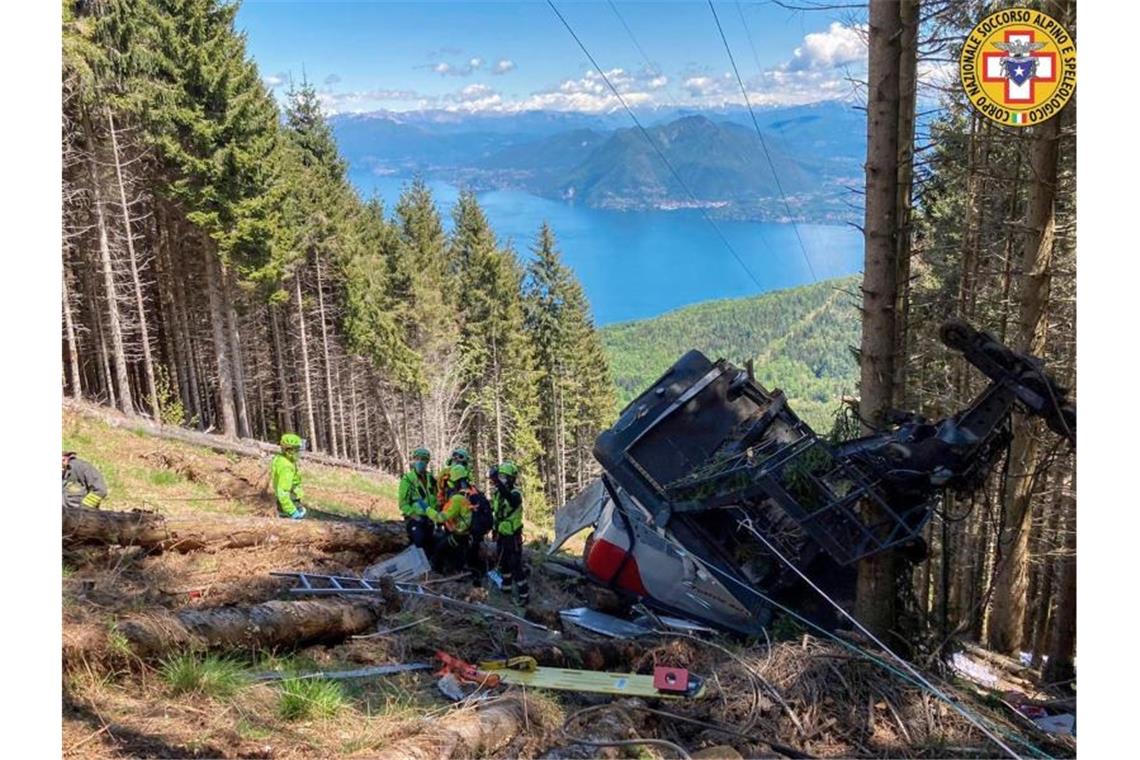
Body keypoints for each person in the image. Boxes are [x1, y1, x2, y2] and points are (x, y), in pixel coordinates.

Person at [428, 463, 489, 582]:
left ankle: (441, 575)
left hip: (461, 535)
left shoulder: (457, 498)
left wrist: (427, 509)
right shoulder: (472, 492)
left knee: (440, 549)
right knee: (464, 556)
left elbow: (441, 517)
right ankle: (467, 574)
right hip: (471, 534)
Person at [490, 460, 529, 605]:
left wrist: (497, 483)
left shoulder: (515, 494)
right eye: (500, 476)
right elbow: (497, 513)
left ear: (511, 479)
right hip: (501, 533)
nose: (501, 479)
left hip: (513, 536)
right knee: (503, 564)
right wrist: (494, 530)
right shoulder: (497, 494)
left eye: (504, 477)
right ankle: (506, 589)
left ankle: (524, 595)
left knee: (515, 565)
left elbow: (511, 501)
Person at [398, 447, 438, 551]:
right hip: (415, 520)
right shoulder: (408, 479)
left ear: (427, 461)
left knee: (430, 548)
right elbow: (403, 503)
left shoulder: (431, 479)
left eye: (423, 459)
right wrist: (415, 517)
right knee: (419, 545)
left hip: (430, 520)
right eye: (418, 458)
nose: (420, 461)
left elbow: (436, 498)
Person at [271, 433, 307, 519]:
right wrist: (292, 511)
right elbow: (283, 491)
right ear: (289, 451)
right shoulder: (286, 467)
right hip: (290, 502)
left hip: (289, 501)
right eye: (297, 450)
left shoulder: (281, 459)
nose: (299, 453)